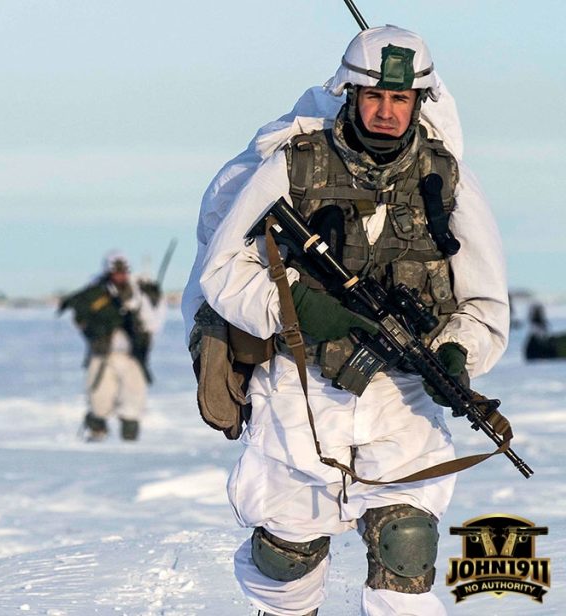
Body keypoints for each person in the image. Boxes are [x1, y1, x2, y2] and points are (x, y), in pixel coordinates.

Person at [185, 26, 509, 616]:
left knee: (406, 548)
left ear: (419, 102)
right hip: (299, 394)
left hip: (400, 399)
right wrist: (297, 308)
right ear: (350, 95)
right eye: (375, 97)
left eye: (401, 99)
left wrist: (457, 354)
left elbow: (484, 302)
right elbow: (223, 269)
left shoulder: (449, 179)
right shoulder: (293, 165)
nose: (386, 112)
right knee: (287, 559)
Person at [61, 252, 166, 441]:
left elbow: (154, 323)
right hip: (103, 355)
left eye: (123, 271)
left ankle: (130, 440)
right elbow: (80, 319)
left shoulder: (140, 292)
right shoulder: (94, 294)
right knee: (100, 398)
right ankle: (96, 432)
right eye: (116, 271)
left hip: (132, 355)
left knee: (133, 399)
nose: (120, 275)